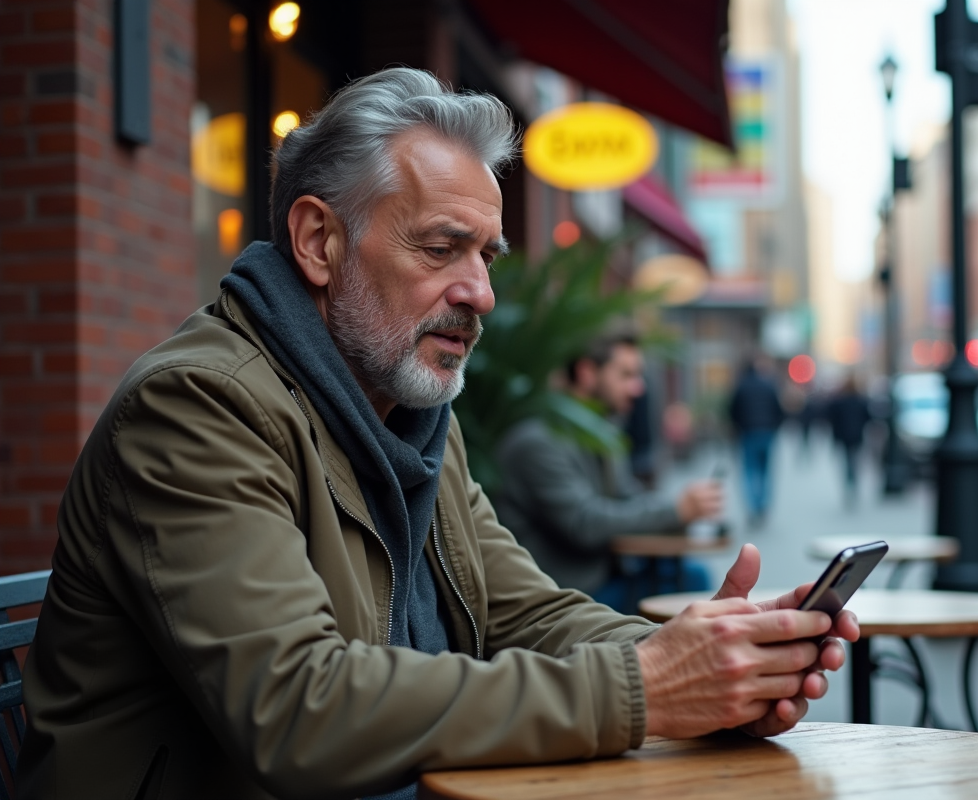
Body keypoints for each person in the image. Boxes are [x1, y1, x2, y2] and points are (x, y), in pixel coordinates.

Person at [17, 69, 859, 799]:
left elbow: (521, 613)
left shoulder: (410, 414)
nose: (480, 292)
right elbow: (298, 709)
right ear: (319, 241)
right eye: (442, 248)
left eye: (486, 256)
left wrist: (712, 658)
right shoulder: (197, 406)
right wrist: (648, 686)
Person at [494, 332, 720, 611]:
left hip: (603, 579)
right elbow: (585, 523)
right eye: (626, 375)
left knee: (693, 575)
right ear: (587, 372)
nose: (638, 388)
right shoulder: (538, 440)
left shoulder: (600, 433)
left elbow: (628, 498)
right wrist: (676, 511)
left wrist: (683, 509)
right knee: (694, 582)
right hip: (560, 598)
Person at [728, 356, 786, 526]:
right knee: (766, 472)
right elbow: (779, 410)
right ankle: (763, 505)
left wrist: (738, 427)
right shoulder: (769, 385)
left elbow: (732, 411)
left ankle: (753, 507)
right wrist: (774, 427)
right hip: (767, 432)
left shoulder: (741, 386)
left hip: (747, 433)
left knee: (749, 471)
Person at [826, 375, 872, 506]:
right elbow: (868, 417)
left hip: (843, 436)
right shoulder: (861, 400)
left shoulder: (838, 401)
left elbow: (830, 417)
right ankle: (854, 483)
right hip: (857, 436)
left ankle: (849, 484)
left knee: (847, 461)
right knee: (855, 461)